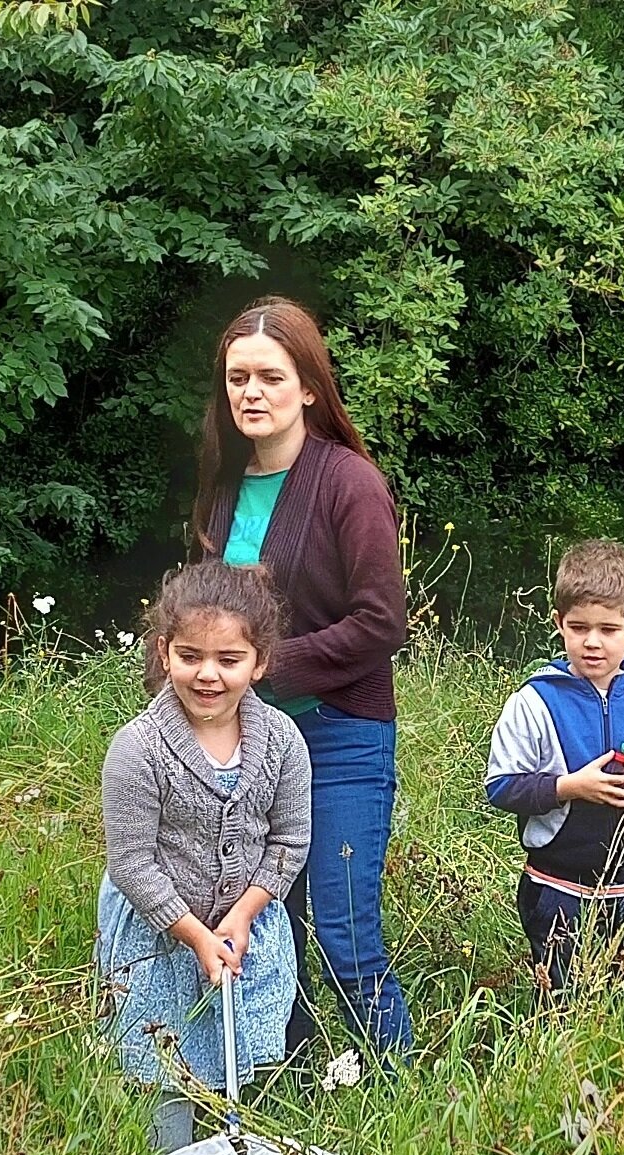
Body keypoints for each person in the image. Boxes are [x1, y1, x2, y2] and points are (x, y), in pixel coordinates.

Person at [189, 296, 413, 1062]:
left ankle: (398, 1092)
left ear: (309, 387)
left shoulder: (349, 483)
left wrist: (262, 666)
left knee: (346, 930)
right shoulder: (223, 486)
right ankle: (288, 1081)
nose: (251, 393)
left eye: (270, 378)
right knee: (266, 925)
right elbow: (206, 618)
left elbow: (383, 624)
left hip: (340, 735)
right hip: (248, 747)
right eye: (237, 378)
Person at [98, 561, 311, 1152]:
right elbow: (133, 864)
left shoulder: (283, 742)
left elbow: (290, 841)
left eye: (228, 660)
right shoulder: (138, 749)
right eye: (190, 656)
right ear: (164, 653)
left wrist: (244, 915)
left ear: (260, 662)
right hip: (159, 935)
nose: (207, 675)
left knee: (235, 1064)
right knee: (163, 1070)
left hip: (245, 929)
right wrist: (195, 935)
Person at [485, 540, 624, 1026]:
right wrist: (569, 787)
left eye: (607, 629)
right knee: (560, 1010)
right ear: (558, 624)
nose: (592, 642)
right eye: (578, 628)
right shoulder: (533, 701)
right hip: (556, 885)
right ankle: (560, 1082)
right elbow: (500, 787)